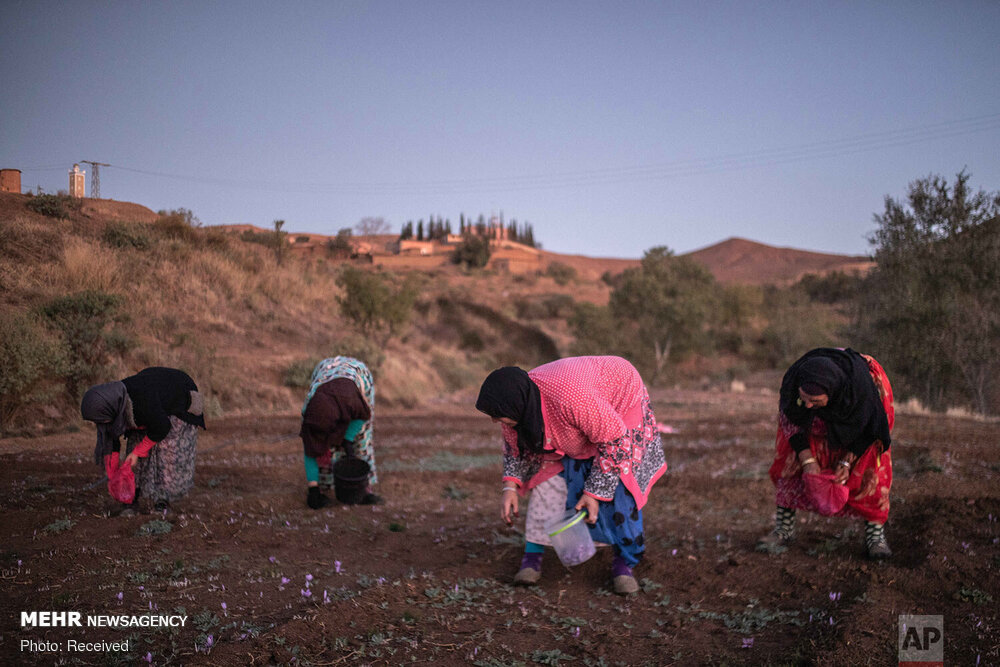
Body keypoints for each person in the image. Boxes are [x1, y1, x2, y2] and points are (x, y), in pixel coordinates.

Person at [476, 355, 668, 595]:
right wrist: (510, 487)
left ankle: (624, 563)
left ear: (516, 406)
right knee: (549, 478)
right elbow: (514, 447)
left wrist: (594, 494)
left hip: (620, 401)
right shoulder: (519, 403)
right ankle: (533, 555)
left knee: (620, 490)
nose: (495, 420)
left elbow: (615, 442)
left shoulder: (572, 400)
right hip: (585, 413)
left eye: (497, 415)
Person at [758, 347, 894, 559]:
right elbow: (790, 418)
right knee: (789, 465)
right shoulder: (795, 380)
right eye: (805, 399)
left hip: (859, 428)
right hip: (812, 426)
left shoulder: (863, 390)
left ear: (833, 393)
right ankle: (783, 530)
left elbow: (872, 429)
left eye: (816, 401)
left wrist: (848, 460)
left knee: (870, 477)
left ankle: (875, 538)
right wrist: (807, 459)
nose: (809, 404)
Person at [81, 367, 206, 513]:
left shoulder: (141, 400)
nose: (100, 423)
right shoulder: (114, 404)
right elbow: (111, 440)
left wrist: (137, 452)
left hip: (178, 401)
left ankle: (162, 500)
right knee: (135, 444)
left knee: (166, 453)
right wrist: (115, 475)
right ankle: (132, 498)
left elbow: (162, 427)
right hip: (152, 406)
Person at [300, 356, 381, 508]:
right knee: (318, 444)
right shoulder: (309, 409)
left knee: (362, 437)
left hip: (356, 374)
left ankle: (365, 489)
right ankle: (320, 488)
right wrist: (313, 490)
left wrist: (348, 438)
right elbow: (310, 447)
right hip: (324, 370)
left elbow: (365, 415)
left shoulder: (354, 401)